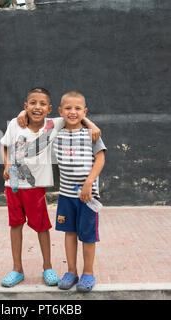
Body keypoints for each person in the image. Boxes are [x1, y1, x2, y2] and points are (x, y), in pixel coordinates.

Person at [0, 87, 101, 287]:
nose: (37, 107)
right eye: (32, 103)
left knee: (42, 227)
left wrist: (90, 123)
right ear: (25, 105)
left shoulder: (53, 124)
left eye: (42, 104)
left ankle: (48, 267)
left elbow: (76, 115)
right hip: (12, 186)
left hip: (36, 188)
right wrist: (7, 164)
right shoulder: (15, 123)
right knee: (15, 225)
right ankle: (17, 269)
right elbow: (4, 145)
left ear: (50, 109)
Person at [53, 91, 106, 292]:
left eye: (77, 109)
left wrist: (88, 183)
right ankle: (72, 271)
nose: (72, 112)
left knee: (88, 235)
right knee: (69, 233)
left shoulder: (91, 134)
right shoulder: (56, 134)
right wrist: (22, 116)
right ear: (60, 111)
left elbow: (100, 159)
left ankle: (88, 273)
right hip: (66, 195)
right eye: (68, 108)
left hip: (87, 195)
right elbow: (38, 118)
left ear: (85, 111)